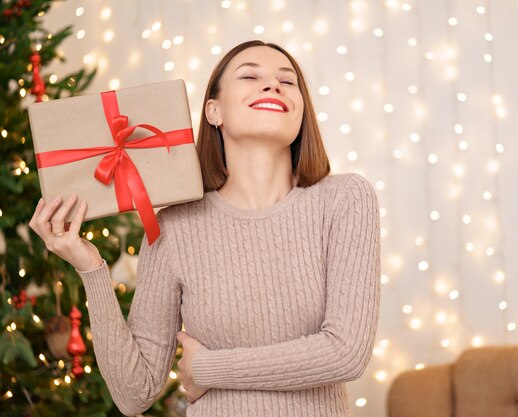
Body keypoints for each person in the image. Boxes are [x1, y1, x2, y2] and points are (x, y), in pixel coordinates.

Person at [29, 40, 381, 417]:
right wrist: (91, 269)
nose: (273, 86)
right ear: (214, 111)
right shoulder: (175, 226)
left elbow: (346, 352)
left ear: (301, 111)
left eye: (287, 81)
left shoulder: (345, 199)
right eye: (250, 75)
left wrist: (207, 368)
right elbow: (135, 394)